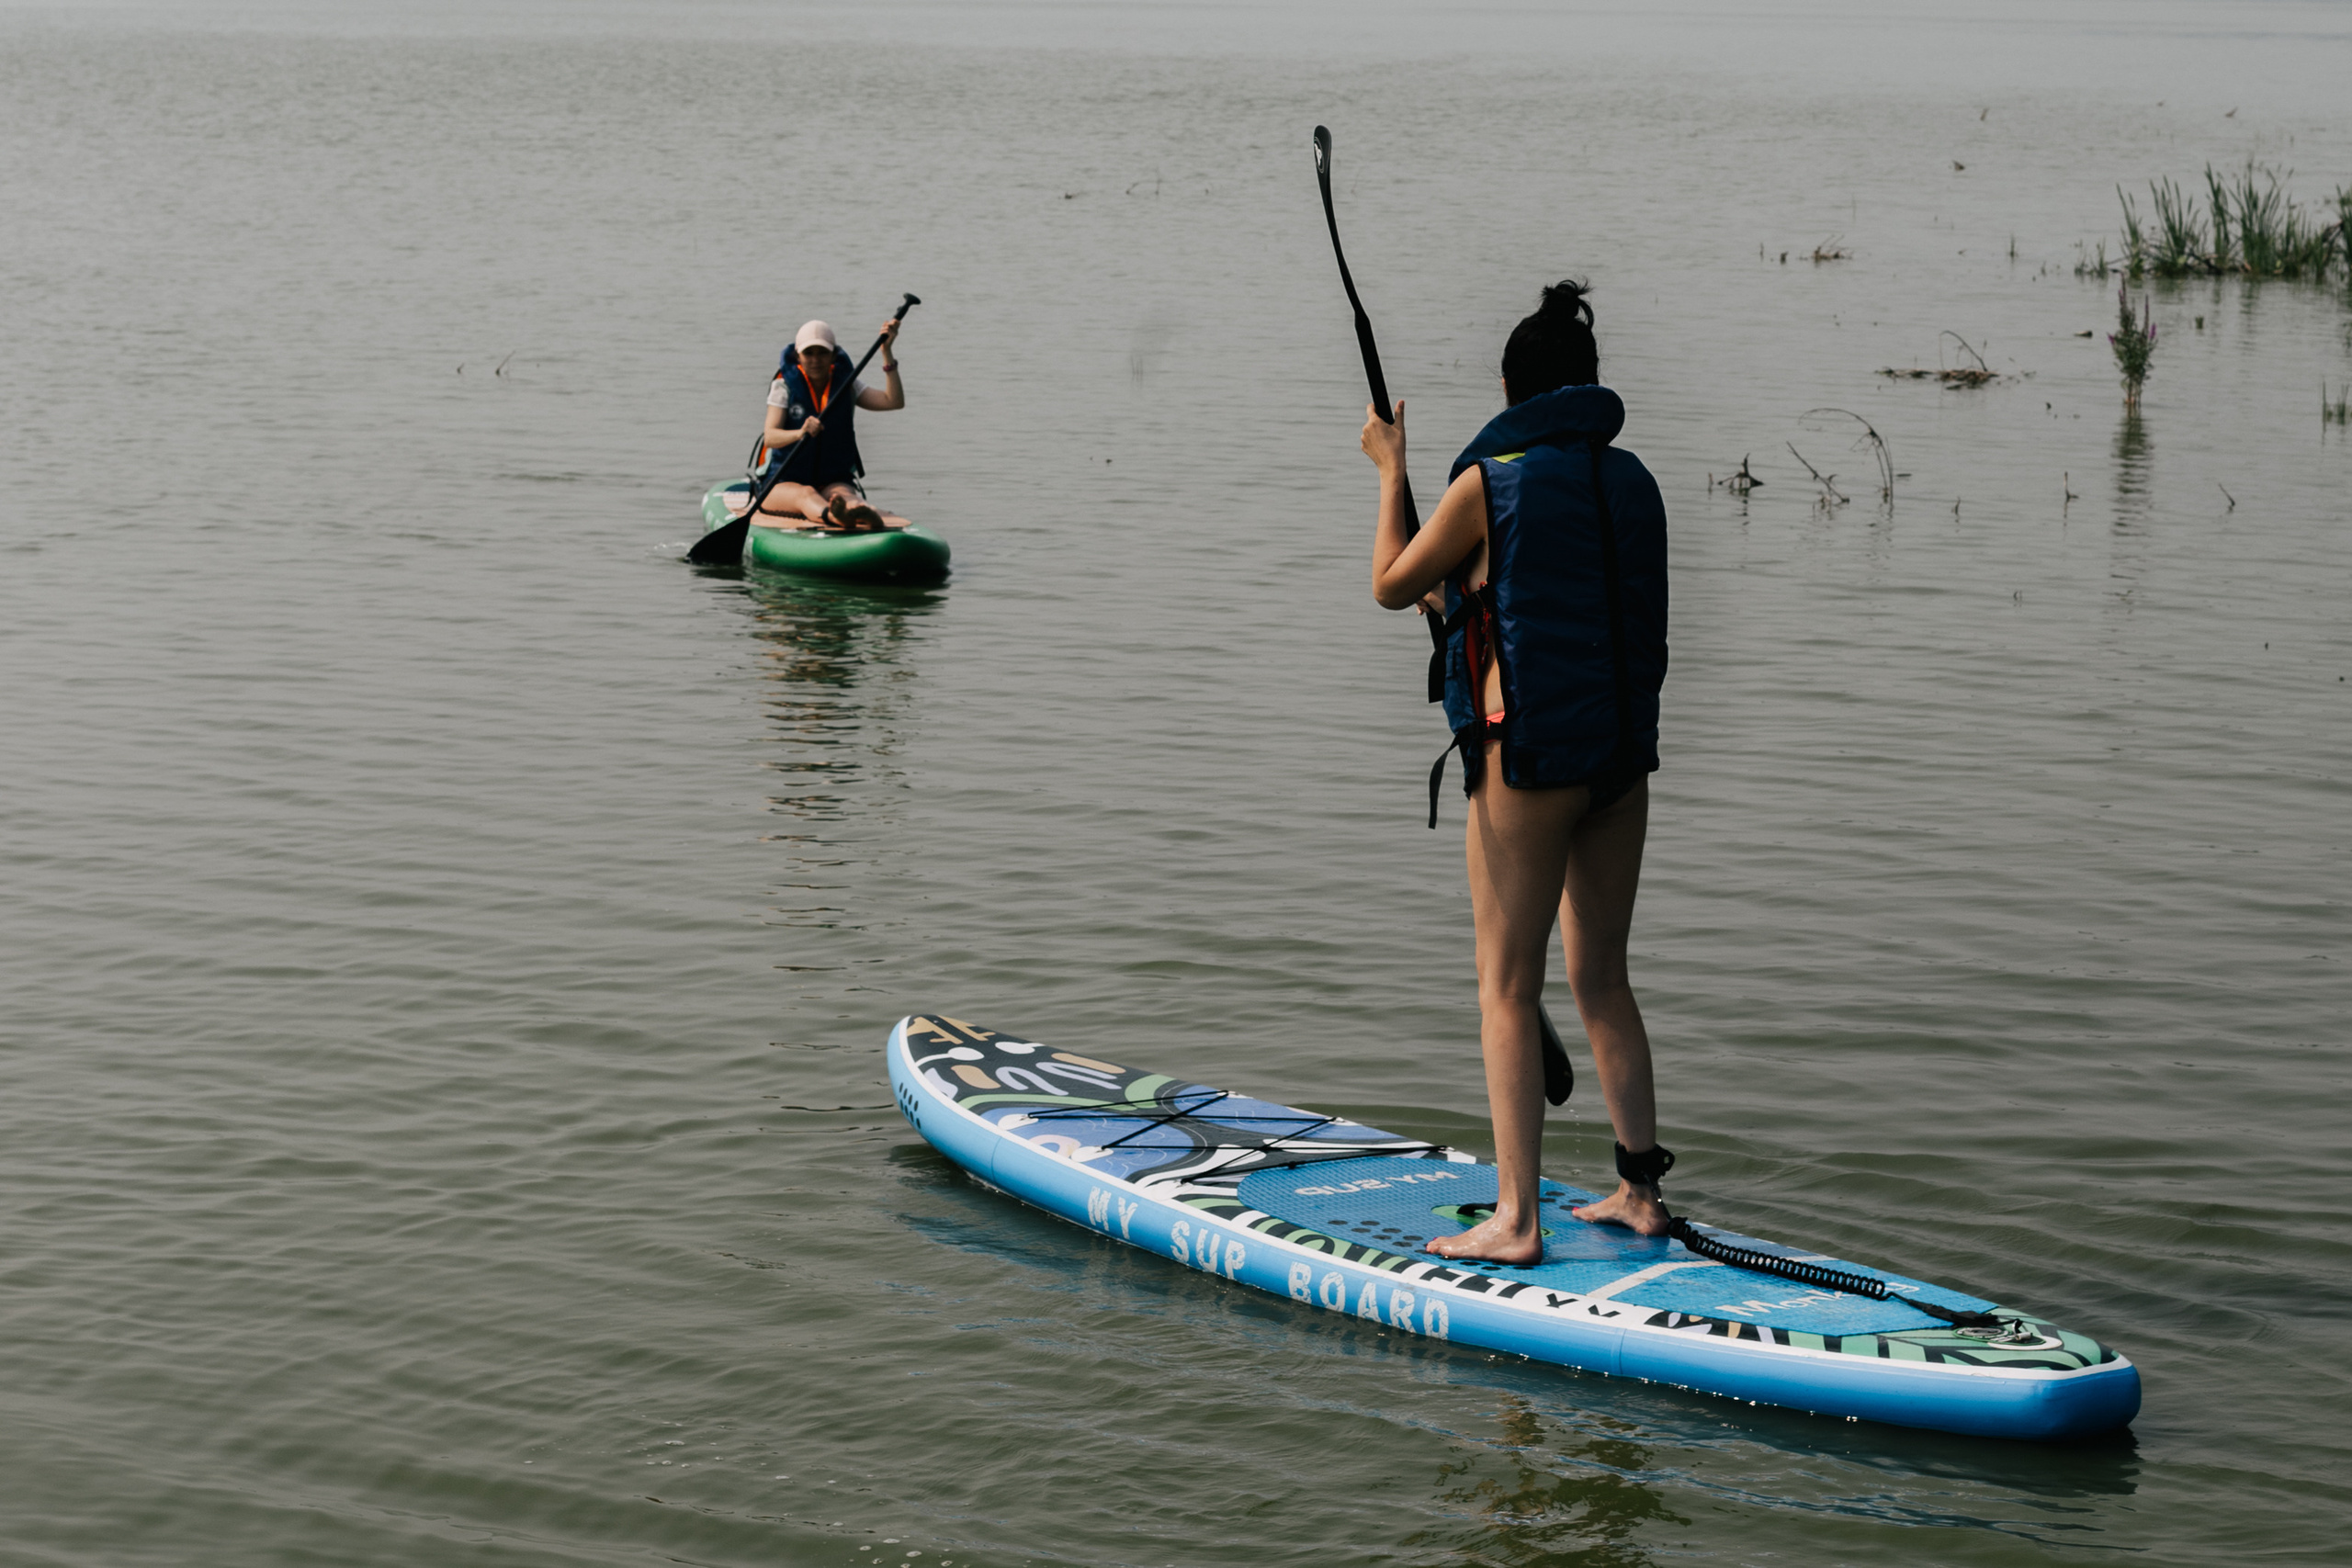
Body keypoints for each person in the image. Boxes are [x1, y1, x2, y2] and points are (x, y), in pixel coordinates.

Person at [1357, 279, 1672, 1264]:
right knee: (1603, 980)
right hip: (1620, 767)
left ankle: (1517, 1223)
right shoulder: (1635, 482)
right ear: (1586, 387)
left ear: (1509, 388)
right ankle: (1638, 1193)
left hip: (1526, 768)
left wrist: (1388, 470)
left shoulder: (1486, 484)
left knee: (1503, 984)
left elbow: (1386, 584)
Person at [751, 316, 909, 531]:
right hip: (783, 483)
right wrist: (800, 433)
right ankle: (836, 518)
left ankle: (858, 512)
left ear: (834, 355)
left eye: (823, 352)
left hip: (832, 479)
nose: (816, 360)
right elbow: (771, 436)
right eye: (809, 353)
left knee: (846, 497)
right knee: (806, 494)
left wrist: (886, 352)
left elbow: (893, 401)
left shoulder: (847, 384)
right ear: (798, 356)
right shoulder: (783, 387)